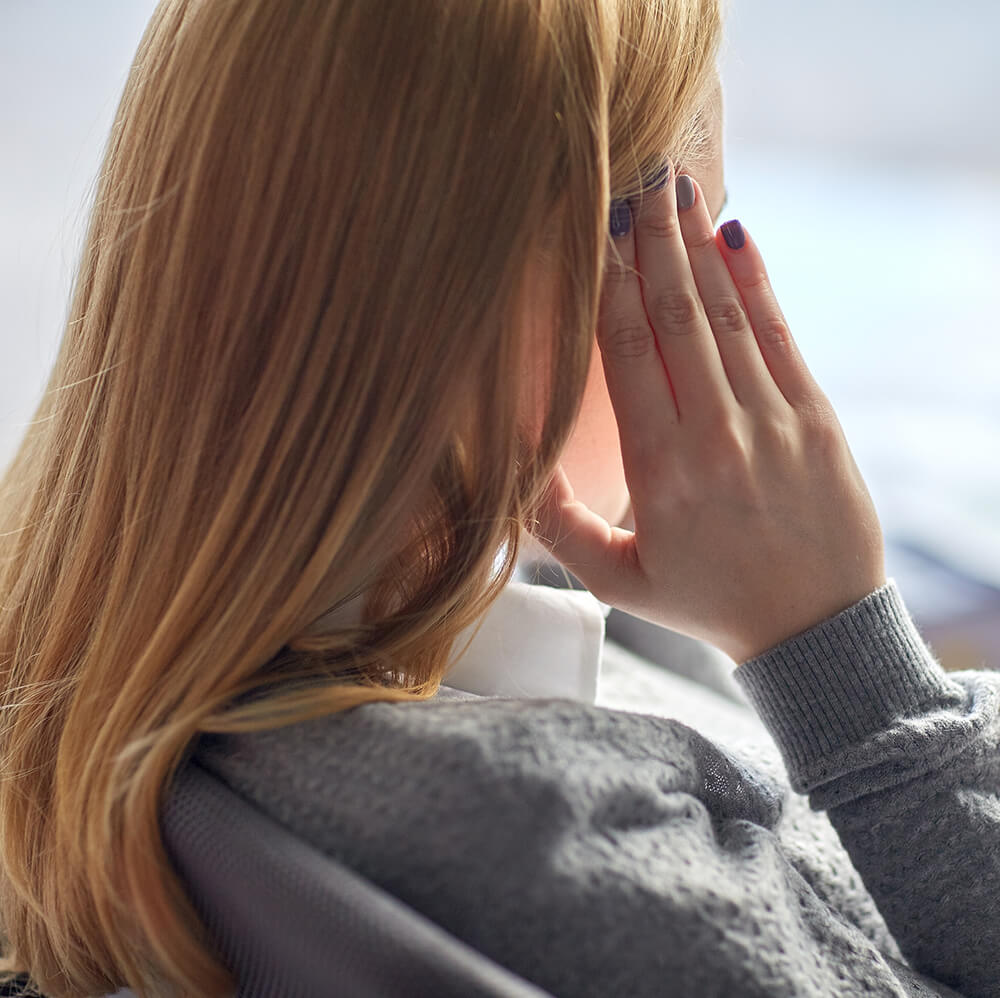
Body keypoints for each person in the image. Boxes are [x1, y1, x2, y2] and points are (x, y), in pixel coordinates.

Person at [0, 0, 996, 995]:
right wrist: (846, 656)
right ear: (547, 300)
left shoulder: (106, 656)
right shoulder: (550, 839)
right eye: (699, 256)